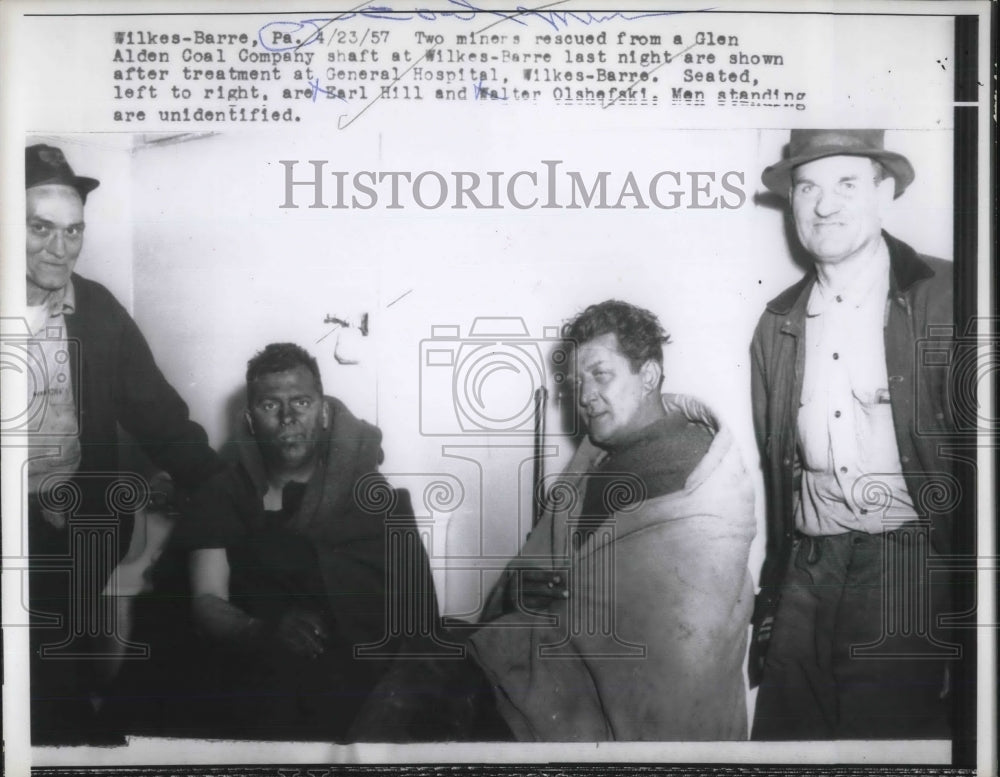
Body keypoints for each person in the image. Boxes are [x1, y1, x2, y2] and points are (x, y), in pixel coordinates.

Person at [356, 300, 756, 741]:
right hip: (560, 665)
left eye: (601, 375)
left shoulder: (693, 469)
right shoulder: (598, 457)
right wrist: (522, 591)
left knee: (431, 674)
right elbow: (549, 571)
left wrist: (554, 605)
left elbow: (674, 638)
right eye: (577, 382)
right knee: (429, 646)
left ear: (648, 376)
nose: (583, 397)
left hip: (623, 709)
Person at [750, 129, 956, 739]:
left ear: (883, 191)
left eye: (847, 184)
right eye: (807, 187)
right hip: (807, 573)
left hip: (909, 571)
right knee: (784, 750)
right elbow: (775, 478)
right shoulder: (775, 323)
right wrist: (773, 599)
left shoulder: (951, 296)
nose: (824, 205)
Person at [132, 343, 440, 740]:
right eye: (270, 406)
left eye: (301, 402)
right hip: (258, 661)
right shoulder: (225, 493)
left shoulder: (368, 494)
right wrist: (263, 631)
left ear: (324, 412)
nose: (288, 418)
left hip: (352, 663)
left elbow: (408, 614)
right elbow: (207, 600)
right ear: (250, 419)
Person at [23, 143, 222, 744]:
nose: (60, 248)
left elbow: (160, 414)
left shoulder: (100, 310)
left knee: (58, 662)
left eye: (74, 230)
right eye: (40, 228)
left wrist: (219, 488)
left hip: (76, 522)